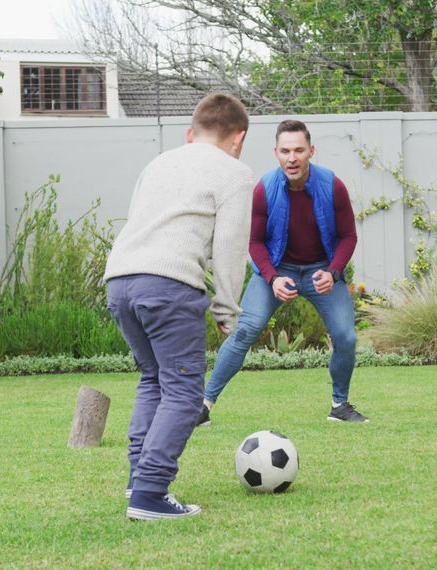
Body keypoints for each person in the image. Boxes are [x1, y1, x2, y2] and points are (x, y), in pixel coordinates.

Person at [103, 93, 253, 520]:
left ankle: (139, 478)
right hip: (168, 285)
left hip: (120, 280)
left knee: (154, 379)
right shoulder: (235, 173)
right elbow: (229, 247)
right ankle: (150, 494)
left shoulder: (158, 163)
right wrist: (227, 308)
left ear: (194, 131)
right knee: (185, 394)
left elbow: (138, 219)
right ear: (237, 138)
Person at [197, 119, 368, 426]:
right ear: (275, 152)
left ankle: (340, 406)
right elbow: (255, 241)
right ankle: (203, 406)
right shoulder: (264, 189)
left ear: (311, 151)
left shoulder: (333, 186)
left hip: (322, 273)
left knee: (345, 336)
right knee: (245, 330)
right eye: (285, 151)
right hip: (277, 271)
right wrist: (272, 277)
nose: (292, 158)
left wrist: (333, 272)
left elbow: (348, 237)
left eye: (299, 150)